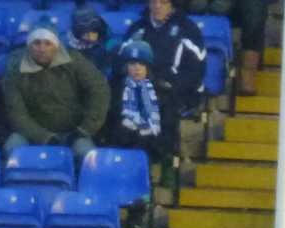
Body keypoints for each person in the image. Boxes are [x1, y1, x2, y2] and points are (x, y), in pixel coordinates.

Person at [3, 25, 109, 162]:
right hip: (31, 133)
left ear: (56, 45)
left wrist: (84, 129)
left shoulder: (75, 61)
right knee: (12, 147)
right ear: (29, 46)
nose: (42, 48)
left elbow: (99, 90)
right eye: (37, 43)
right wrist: (44, 137)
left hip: (73, 131)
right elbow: (17, 114)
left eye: (48, 43)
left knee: (88, 155)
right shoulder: (15, 70)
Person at [103, 40, 179, 179]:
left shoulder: (163, 92)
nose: (137, 68)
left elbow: (168, 127)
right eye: (132, 64)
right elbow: (109, 123)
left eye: (141, 64)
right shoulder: (113, 90)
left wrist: (156, 146)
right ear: (126, 67)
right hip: (118, 146)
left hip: (150, 148)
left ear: (148, 67)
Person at [123, 0, 208, 121]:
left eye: (163, 3)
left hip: (175, 91)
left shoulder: (187, 28)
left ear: (171, 5)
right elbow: (123, 59)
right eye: (153, 2)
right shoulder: (138, 28)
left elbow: (197, 69)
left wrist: (171, 86)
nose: (157, 6)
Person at [66, 4, 116, 77]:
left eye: (93, 31)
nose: (90, 35)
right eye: (85, 31)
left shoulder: (108, 40)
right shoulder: (67, 46)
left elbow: (112, 44)